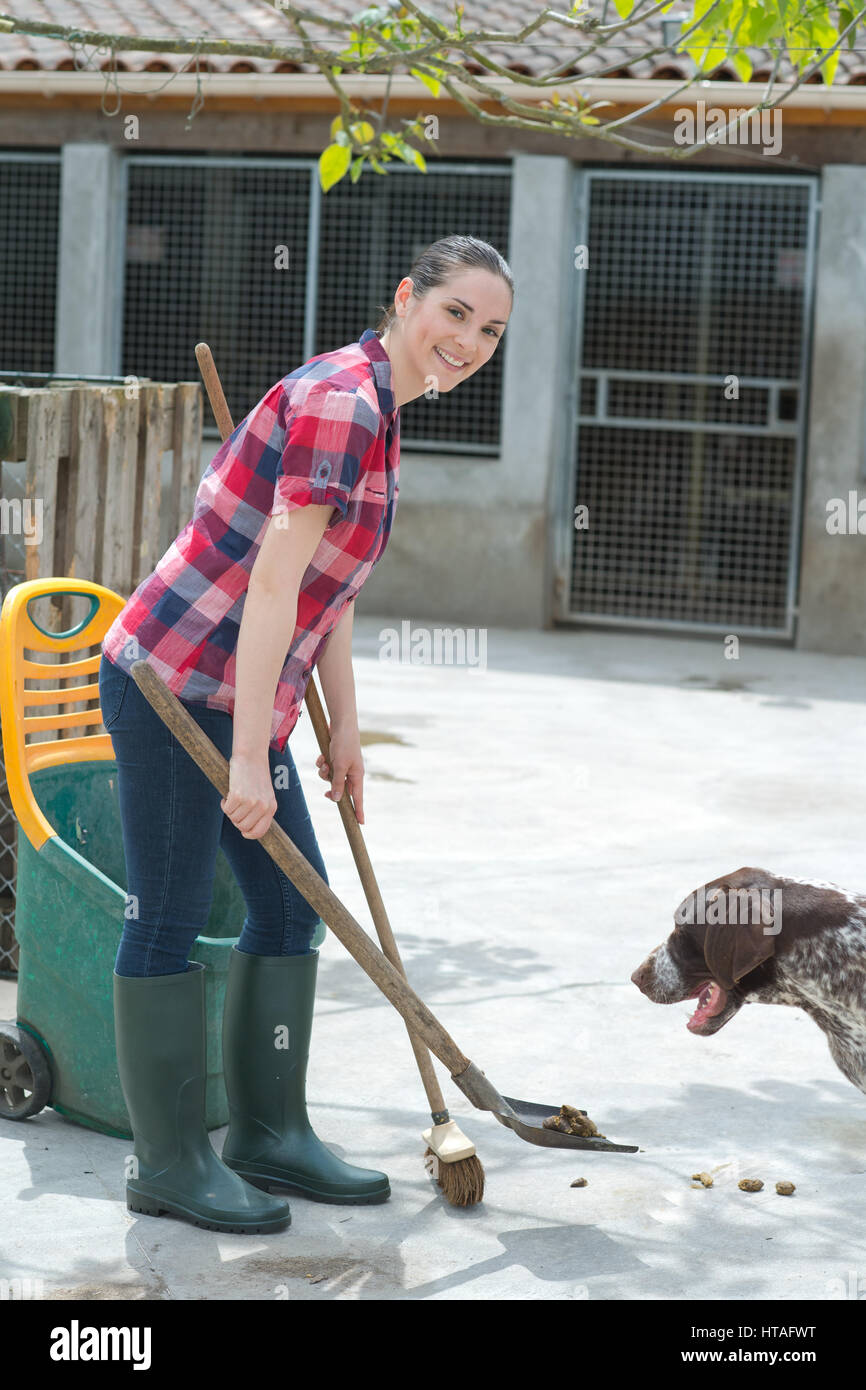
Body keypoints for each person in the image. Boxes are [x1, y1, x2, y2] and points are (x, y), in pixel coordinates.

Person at [98, 233, 514, 1234]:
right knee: (170, 911)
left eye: (490, 329)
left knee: (290, 912)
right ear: (406, 297)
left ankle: (267, 1132)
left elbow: (331, 591)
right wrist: (250, 758)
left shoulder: (383, 408)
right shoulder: (345, 403)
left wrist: (345, 736)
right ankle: (167, 1163)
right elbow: (273, 585)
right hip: (173, 679)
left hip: (240, 692)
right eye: (454, 313)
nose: (468, 340)